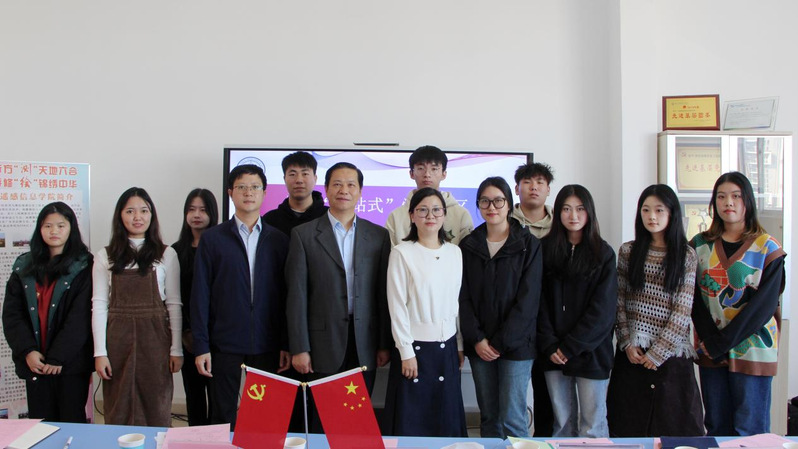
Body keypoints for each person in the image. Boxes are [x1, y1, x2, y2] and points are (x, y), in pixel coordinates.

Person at [286, 161, 392, 432]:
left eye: (351, 185)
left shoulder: (378, 236)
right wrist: (299, 347)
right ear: (326, 189)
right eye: (337, 184)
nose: (344, 190)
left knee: (357, 420)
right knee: (322, 421)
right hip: (321, 343)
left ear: (360, 192)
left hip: (364, 341)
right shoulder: (303, 235)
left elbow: (382, 295)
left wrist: (383, 344)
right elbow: (296, 296)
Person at [191, 164, 290, 429]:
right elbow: (200, 295)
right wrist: (201, 345)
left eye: (255, 187)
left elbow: (285, 297)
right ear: (230, 193)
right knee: (222, 415)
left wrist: (285, 342)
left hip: (267, 342)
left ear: (265, 193)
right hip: (224, 342)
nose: (248, 192)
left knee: (264, 416)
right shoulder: (213, 239)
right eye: (242, 187)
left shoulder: (279, 240)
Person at [691, 171, 786, 436]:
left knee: (750, 430)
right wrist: (712, 341)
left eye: (735, 196)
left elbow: (763, 307)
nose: (728, 202)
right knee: (716, 427)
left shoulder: (768, 248)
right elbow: (693, 299)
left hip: (753, 349)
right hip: (711, 348)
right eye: (721, 197)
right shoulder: (699, 245)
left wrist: (723, 342)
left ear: (748, 202)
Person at [607, 184, 703, 436]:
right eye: (646, 210)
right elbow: (620, 301)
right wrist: (626, 342)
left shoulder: (686, 255)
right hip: (633, 355)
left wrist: (658, 352)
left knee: (675, 428)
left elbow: (683, 310)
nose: (651, 216)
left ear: (672, 213)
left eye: (659, 210)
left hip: (671, 357)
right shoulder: (628, 251)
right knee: (628, 427)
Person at [459, 177, 542, 438]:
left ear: (509, 204)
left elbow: (528, 301)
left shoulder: (529, 245)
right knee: (489, 417)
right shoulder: (468, 245)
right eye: (485, 201)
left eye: (498, 200)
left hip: (517, 346)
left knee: (513, 417)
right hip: (480, 346)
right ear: (478, 205)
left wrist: (500, 342)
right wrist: (477, 339)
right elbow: (463, 297)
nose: (491, 207)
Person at [92, 187, 182, 426]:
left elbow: (174, 304)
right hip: (117, 339)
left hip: (155, 339)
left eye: (144, 210)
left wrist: (176, 349)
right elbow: (99, 305)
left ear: (152, 215)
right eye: (130, 211)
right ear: (120, 215)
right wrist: (100, 353)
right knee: (118, 404)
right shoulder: (105, 256)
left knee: (156, 404)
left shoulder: (167, 254)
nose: (137, 217)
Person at [384, 187, 467, 437]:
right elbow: (397, 306)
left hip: (448, 347)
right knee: (413, 422)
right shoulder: (402, 253)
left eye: (436, 210)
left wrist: (459, 343)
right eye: (422, 210)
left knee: (446, 419)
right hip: (415, 349)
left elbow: (456, 302)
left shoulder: (455, 252)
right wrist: (406, 351)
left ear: (444, 215)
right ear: (411, 216)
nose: (430, 216)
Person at [537, 185, 617, 438]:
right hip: (552, 353)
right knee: (561, 423)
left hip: (591, 352)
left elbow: (603, 310)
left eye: (580, 209)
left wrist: (571, 346)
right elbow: (538, 302)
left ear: (589, 212)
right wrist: (550, 345)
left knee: (593, 425)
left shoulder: (603, 253)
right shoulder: (544, 249)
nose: (573, 215)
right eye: (566, 209)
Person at [2, 202, 93, 422]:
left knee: (72, 422)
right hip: (36, 363)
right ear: (39, 229)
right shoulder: (23, 266)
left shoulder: (84, 265)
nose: (54, 231)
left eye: (61, 225)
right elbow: (12, 315)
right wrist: (28, 351)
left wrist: (57, 357)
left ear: (71, 228)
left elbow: (80, 318)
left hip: (70, 364)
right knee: (40, 425)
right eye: (48, 226)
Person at [513, 162, 555, 436]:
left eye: (540, 182)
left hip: (551, 325)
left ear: (548, 189)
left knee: (548, 397)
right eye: (527, 182)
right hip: (514, 324)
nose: (533, 187)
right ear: (517, 188)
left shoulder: (562, 226)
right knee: (511, 400)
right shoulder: (503, 223)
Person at [171, 188, 218, 426]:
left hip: (217, 336)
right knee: (194, 395)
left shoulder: (221, 247)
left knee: (218, 397)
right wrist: (184, 333)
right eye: (191, 209)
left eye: (203, 210)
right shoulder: (175, 251)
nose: (196, 215)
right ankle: (195, 438)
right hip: (187, 336)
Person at [386, 145, 473, 246]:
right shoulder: (396, 216)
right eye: (421, 168)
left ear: (444, 174)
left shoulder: (461, 214)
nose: (427, 174)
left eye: (434, 169)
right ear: (411, 173)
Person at [263, 151, 328, 235]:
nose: (299, 180)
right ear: (284, 179)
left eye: (305, 174)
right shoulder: (270, 220)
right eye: (292, 174)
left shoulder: (328, 216)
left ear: (315, 178)